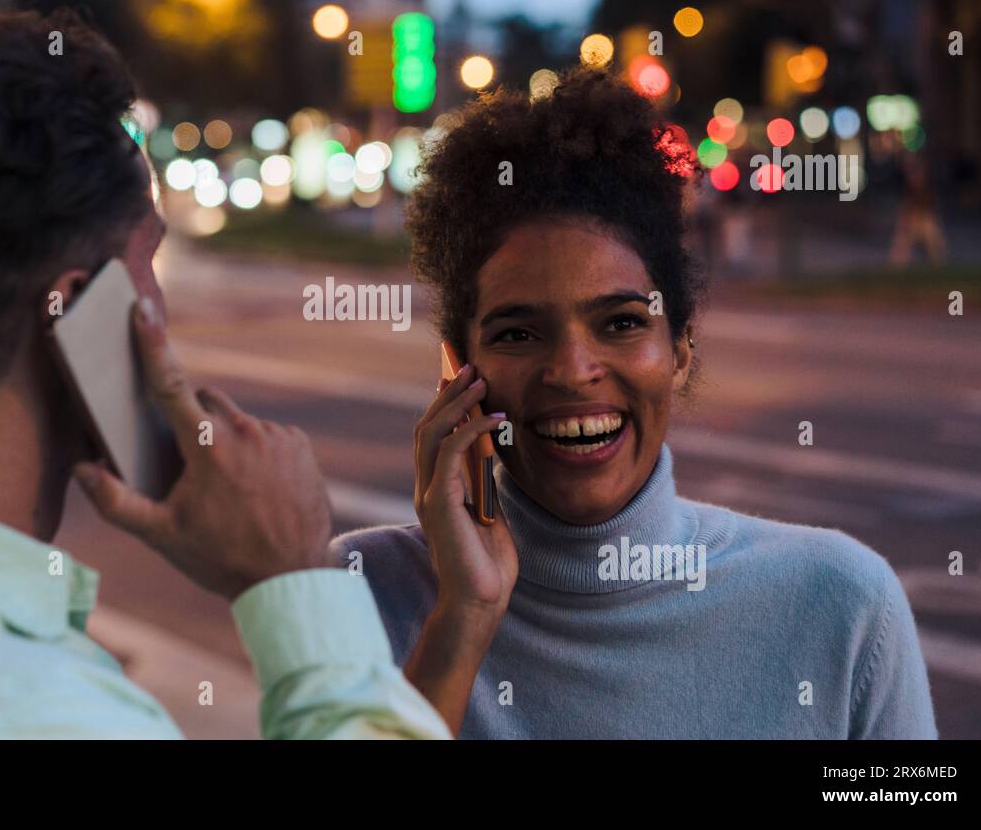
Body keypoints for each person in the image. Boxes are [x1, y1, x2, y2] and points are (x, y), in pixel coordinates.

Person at [0, 11, 449, 740]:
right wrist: (291, 582)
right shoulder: (40, 711)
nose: (159, 305)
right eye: (146, 264)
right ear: (72, 309)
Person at [331, 66, 938, 739]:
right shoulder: (359, 593)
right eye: (518, 332)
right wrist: (462, 620)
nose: (572, 370)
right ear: (456, 365)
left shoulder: (844, 603)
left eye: (621, 322)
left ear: (680, 346)